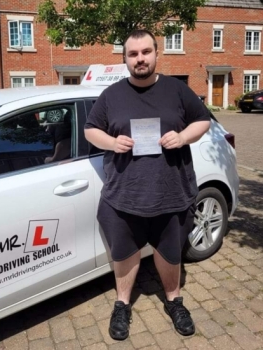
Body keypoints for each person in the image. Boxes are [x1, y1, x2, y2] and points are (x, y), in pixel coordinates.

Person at [84, 29, 210, 340]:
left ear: (156, 53)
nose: (140, 58)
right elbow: (90, 130)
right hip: (123, 196)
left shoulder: (177, 91)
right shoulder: (111, 95)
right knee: (124, 253)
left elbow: (203, 120)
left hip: (172, 193)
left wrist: (182, 136)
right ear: (125, 58)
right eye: (133, 54)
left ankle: (174, 300)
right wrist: (112, 142)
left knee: (169, 253)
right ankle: (122, 303)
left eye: (145, 52)